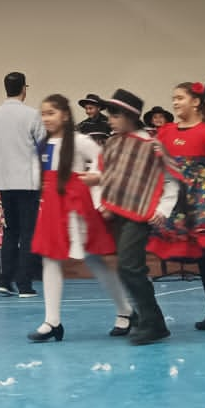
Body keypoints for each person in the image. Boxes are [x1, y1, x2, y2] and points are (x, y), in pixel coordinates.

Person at [26, 94, 134, 342]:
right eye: (43, 113)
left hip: (77, 206)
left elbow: (103, 161)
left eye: (51, 112)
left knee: (95, 260)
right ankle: (52, 321)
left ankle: (125, 310)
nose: (46, 118)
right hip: (51, 207)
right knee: (50, 259)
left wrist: (95, 178)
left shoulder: (79, 140)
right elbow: (37, 177)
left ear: (65, 114)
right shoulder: (41, 144)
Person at [149, 81, 205, 330]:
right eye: (174, 98)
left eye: (180, 98)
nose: (175, 102)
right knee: (198, 255)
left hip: (203, 196)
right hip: (177, 198)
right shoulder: (166, 132)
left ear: (196, 102)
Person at [97, 89, 181, 345]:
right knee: (129, 268)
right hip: (119, 213)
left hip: (141, 213)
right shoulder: (113, 143)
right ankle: (147, 318)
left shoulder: (151, 145)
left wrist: (163, 210)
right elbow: (110, 175)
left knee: (130, 267)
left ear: (129, 116)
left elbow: (170, 179)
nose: (109, 119)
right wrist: (104, 198)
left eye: (114, 114)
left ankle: (154, 322)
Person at [0, 71, 45, 298]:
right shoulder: (32, 114)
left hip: (4, 180)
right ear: (24, 89)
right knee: (27, 232)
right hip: (27, 180)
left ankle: (4, 280)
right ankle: (25, 284)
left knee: (10, 231)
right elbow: (43, 144)